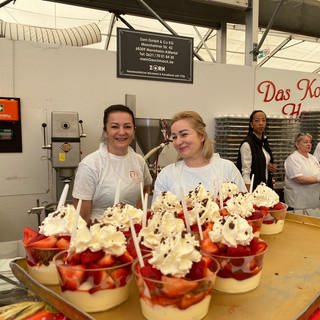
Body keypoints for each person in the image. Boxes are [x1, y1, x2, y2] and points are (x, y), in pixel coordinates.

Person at [72, 104, 152, 222]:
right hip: (99, 233)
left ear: (134, 131)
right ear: (105, 131)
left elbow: (146, 187)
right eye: (114, 126)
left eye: (127, 126)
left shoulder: (139, 161)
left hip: (133, 232)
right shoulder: (90, 165)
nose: (122, 132)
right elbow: (81, 217)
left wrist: (139, 213)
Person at [153, 111, 246, 200]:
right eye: (174, 137)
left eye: (184, 134)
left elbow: (246, 207)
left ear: (201, 136)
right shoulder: (166, 175)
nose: (178, 142)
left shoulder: (227, 169)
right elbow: (156, 214)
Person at [237, 110, 277, 191]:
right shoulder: (247, 144)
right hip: (253, 188)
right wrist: (248, 194)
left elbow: (265, 163)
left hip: (266, 186)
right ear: (251, 124)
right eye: (257, 120)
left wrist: (270, 167)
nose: (261, 123)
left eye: (263, 120)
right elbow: (245, 173)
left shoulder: (264, 142)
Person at [284, 133, 320, 211]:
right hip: (298, 203)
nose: (309, 144)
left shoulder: (313, 158)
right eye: (305, 142)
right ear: (297, 144)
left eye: (310, 142)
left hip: (314, 202)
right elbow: (299, 179)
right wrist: (318, 179)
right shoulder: (293, 159)